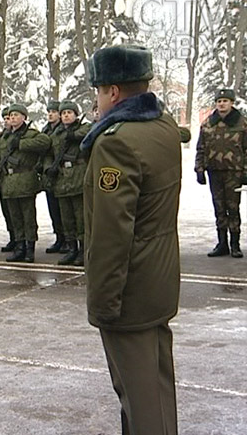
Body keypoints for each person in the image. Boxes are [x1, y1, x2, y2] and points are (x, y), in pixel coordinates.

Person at [82, 45, 181, 435]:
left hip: (129, 290)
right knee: (156, 389)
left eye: (99, 90)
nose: (97, 99)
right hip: (158, 279)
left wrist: (103, 303)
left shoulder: (115, 142)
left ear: (114, 92)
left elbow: (111, 235)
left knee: (138, 397)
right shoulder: (164, 128)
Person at [0, 104, 49, 263]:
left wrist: (21, 144)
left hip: (24, 179)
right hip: (8, 181)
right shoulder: (4, 137)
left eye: (17, 115)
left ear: (24, 117)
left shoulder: (31, 133)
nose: (13, 118)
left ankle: (29, 248)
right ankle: (19, 246)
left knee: (28, 216)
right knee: (15, 217)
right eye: (11, 116)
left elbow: (44, 143)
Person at [195, 88, 247, 258]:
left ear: (232, 103)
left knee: (233, 208)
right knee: (219, 208)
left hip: (234, 172)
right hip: (214, 172)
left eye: (225, 101)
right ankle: (222, 243)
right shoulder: (208, 123)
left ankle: (235, 244)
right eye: (219, 101)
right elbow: (201, 148)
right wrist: (199, 169)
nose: (222, 104)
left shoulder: (242, 123)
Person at [45, 100, 90, 266]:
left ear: (76, 115)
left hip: (78, 177)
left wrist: (73, 135)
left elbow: (88, 133)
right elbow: (48, 153)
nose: (66, 115)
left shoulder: (83, 128)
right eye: (63, 113)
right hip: (62, 179)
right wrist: (49, 167)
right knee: (67, 218)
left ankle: (83, 250)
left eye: (69, 113)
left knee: (80, 218)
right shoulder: (56, 134)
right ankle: (71, 249)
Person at [40, 101, 66, 254]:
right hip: (49, 174)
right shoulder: (45, 130)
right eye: (49, 111)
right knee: (53, 209)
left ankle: (69, 240)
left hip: (63, 175)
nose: (50, 114)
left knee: (64, 210)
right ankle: (59, 237)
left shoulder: (63, 130)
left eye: (54, 112)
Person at [0, 106, 16, 252]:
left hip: (16, 179)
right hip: (3, 179)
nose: (7, 121)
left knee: (17, 213)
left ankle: (20, 240)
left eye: (9, 118)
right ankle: (13, 237)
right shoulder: (2, 137)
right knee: (7, 211)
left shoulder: (20, 136)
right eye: (5, 118)